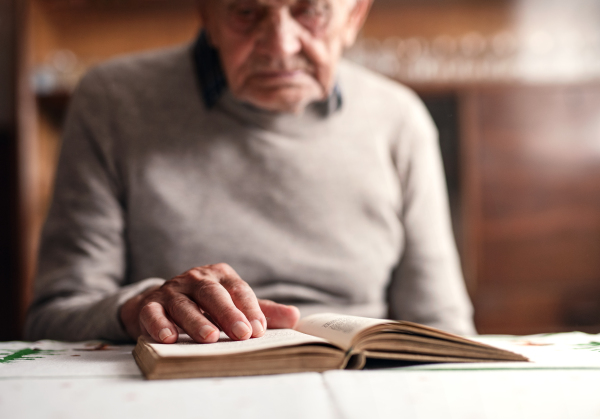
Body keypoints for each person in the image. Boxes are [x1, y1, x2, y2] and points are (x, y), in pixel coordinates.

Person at [25, 0, 476, 344]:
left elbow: (442, 326)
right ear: (207, 14)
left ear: (354, 16)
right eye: (246, 12)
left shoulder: (398, 118)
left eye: (310, 11)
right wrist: (141, 306)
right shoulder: (112, 102)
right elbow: (52, 318)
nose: (281, 45)